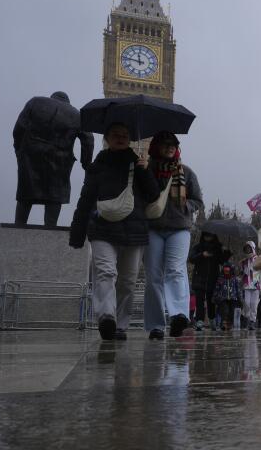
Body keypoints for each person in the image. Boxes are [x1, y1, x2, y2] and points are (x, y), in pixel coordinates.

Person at [69, 122, 159, 341]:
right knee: (106, 273)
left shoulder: (138, 165)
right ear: (107, 138)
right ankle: (106, 318)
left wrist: (145, 169)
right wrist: (77, 232)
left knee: (128, 281)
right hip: (103, 229)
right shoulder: (97, 166)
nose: (120, 138)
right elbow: (85, 200)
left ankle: (121, 324)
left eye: (125, 135)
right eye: (116, 135)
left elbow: (153, 195)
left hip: (134, 230)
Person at [143, 131, 204, 340]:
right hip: (152, 228)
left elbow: (198, 201)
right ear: (156, 147)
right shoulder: (147, 170)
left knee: (176, 270)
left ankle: (179, 316)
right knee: (153, 276)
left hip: (179, 228)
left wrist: (185, 205)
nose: (170, 147)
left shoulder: (186, 173)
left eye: (173, 144)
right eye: (165, 144)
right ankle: (155, 325)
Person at [14, 92, 94, 227]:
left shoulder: (35, 102)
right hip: (60, 159)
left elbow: (19, 128)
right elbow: (89, 140)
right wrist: (86, 164)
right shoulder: (77, 115)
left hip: (30, 154)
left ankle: (18, 226)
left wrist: (19, 150)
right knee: (55, 197)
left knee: (25, 193)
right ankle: (50, 228)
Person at [189, 232, 232, 331]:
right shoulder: (198, 247)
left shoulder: (217, 248)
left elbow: (222, 261)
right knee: (199, 301)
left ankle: (212, 320)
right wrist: (202, 255)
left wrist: (226, 252)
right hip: (199, 278)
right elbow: (191, 259)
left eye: (210, 236)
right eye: (206, 235)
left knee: (211, 301)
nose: (208, 238)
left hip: (213, 279)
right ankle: (199, 321)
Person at [213, 263, 242, 331]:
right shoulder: (220, 279)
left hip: (233, 298)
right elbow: (217, 288)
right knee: (225, 311)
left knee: (232, 312)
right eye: (225, 271)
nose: (226, 272)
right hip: (223, 298)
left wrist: (240, 299)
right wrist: (215, 297)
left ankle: (229, 325)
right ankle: (223, 324)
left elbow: (238, 289)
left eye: (228, 271)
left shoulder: (235, 279)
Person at [239, 241, 261, 331]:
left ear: (252, 248)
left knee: (254, 304)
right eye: (246, 249)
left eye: (249, 249)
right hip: (247, 284)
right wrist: (241, 266)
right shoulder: (244, 261)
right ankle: (246, 318)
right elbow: (241, 272)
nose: (248, 251)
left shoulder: (258, 258)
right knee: (247, 303)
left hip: (256, 285)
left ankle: (252, 321)